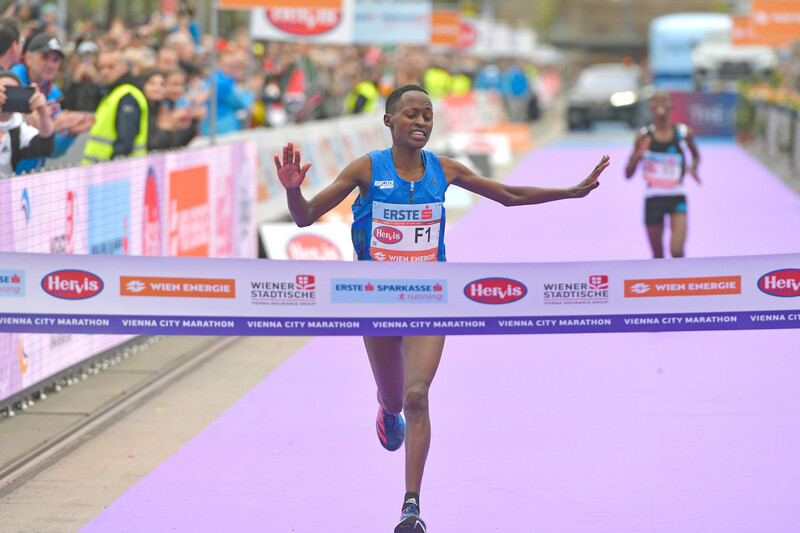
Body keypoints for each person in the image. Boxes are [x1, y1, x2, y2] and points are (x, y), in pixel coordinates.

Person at [273, 84, 608, 532]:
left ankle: (411, 507)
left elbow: (507, 194)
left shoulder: (444, 169)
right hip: (375, 300)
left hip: (430, 298)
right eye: (411, 114)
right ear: (389, 121)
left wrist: (569, 192)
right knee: (394, 397)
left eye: (427, 115)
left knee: (417, 395)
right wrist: (293, 191)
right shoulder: (366, 169)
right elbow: (305, 216)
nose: (420, 122)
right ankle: (385, 411)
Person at [624, 90, 700, 258]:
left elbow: (696, 156)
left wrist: (693, 168)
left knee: (677, 251)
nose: (660, 104)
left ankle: (680, 276)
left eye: (664, 100)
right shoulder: (643, 136)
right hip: (653, 198)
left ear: (671, 105)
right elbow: (627, 174)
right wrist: (637, 155)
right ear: (650, 106)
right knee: (657, 256)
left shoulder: (683, 133)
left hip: (677, 196)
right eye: (655, 100)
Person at [12, 32, 94, 172]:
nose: (51, 65)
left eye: (55, 60)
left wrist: (70, 134)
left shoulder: (53, 95)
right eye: (45, 57)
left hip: (31, 177)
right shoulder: (10, 84)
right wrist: (34, 125)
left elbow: (51, 151)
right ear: (28, 58)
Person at [81, 49, 148, 164]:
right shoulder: (112, 93)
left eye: (111, 67)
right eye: (101, 68)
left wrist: (113, 169)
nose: (105, 72)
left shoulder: (127, 96)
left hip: (115, 170)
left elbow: (125, 141)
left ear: (124, 67)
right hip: (101, 169)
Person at [0, 71, 54, 177]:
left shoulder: (20, 127)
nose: (6, 97)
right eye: (3, 90)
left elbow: (46, 146)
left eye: (12, 91)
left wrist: (43, 112)